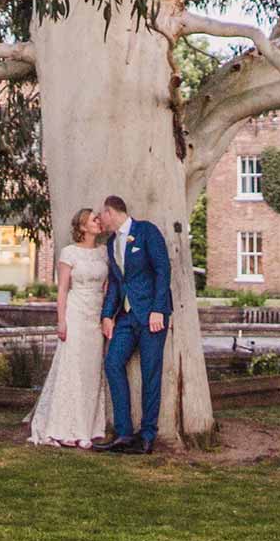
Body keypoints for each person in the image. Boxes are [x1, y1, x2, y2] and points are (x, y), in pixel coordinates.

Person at [25, 207, 110, 448]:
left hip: (96, 313)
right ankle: (64, 426)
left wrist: (106, 315)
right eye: (94, 219)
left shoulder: (104, 252)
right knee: (71, 368)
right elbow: (62, 289)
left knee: (92, 370)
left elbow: (107, 286)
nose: (98, 221)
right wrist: (61, 320)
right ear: (82, 226)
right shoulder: (69, 252)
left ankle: (87, 428)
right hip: (75, 311)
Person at [96, 192, 172, 453]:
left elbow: (163, 270)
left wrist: (159, 309)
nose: (100, 221)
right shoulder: (111, 243)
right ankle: (124, 433)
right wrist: (107, 315)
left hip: (152, 315)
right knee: (112, 362)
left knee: (151, 372)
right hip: (127, 318)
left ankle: (147, 435)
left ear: (111, 211)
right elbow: (117, 282)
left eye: (102, 215)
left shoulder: (146, 231)